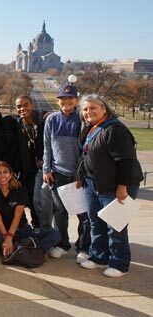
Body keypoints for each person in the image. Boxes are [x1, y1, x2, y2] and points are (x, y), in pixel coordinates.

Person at [77, 94, 143, 278]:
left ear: (104, 108)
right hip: (93, 184)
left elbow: (126, 161)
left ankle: (120, 263)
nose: (89, 112)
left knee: (116, 226)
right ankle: (99, 257)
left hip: (115, 186)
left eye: (93, 108)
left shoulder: (115, 129)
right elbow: (86, 156)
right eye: (85, 109)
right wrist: (81, 176)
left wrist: (122, 187)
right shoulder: (90, 128)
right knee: (95, 223)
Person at [42, 83, 90, 262]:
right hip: (58, 173)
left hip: (80, 174)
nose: (66, 101)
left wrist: (82, 173)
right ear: (58, 100)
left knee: (83, 213)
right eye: (63, 98)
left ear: (76, 100)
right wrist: (46, 169)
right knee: (59, 211)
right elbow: (47, 146)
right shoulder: (52, 119)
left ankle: (84, 246)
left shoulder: (82, 119)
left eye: (70, 98)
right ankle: (62, 243)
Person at [0, 161, 60, 261]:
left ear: (11, 174)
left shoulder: (20, 190)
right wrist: (6, 238)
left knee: (55, 234)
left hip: (23, 231)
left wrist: (10, 237)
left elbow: (18, 215)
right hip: (4, 232)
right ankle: (28, 250)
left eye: (5, 172)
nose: (2, 175)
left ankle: (24, 250)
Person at [14, 96, 47, 229]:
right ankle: (35, 225)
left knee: (41, 200)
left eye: (26, 105)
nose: (23, 108)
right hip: (26, 167)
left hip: (43, 167)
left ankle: (43, 227)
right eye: (19, 106)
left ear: (32, 105)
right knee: (31, 199)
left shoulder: (43, 120)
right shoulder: (17, 124)